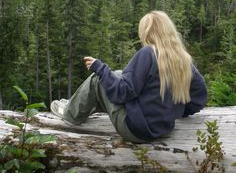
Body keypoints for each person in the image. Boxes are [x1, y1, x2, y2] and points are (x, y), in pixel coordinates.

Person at [51, 10, 207, 143]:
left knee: (97, 79)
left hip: (136, 130)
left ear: (147, 32)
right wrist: (175, 112)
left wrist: (99, 67)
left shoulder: (148, 53)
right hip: (163, 128)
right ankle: (82, 105)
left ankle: (70, 114)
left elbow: (123, 93)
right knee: (117, 74)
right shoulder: (183, 59)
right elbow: (199, 98)